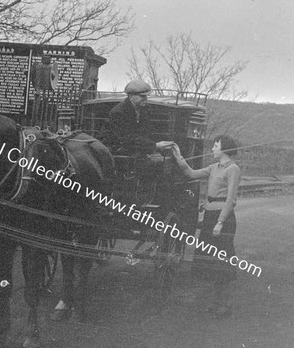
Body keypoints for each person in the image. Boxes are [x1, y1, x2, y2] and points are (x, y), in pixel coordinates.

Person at [171, 135, 241, 319]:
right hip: (210, 216)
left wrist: (220, 222)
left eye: (215, 146)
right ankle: (216, 303)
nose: (212, 149)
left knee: (222, 263)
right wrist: (178, 156)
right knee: (212, 262)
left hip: (222, 219)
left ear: (224, 149)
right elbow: (191, 173)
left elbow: (231, 199)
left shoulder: (233, 169)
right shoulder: (214, 167)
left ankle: (224, 306)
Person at [100, 80, 172, 157]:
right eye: (142, 96)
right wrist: (154, 146)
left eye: (146, 96)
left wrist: (157, 145)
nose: (146, 98)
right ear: (131, 96)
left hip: (134, 146)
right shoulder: (118, 112)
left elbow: (145, 132)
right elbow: (126, 138)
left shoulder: (144, 110)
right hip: (115, 148)